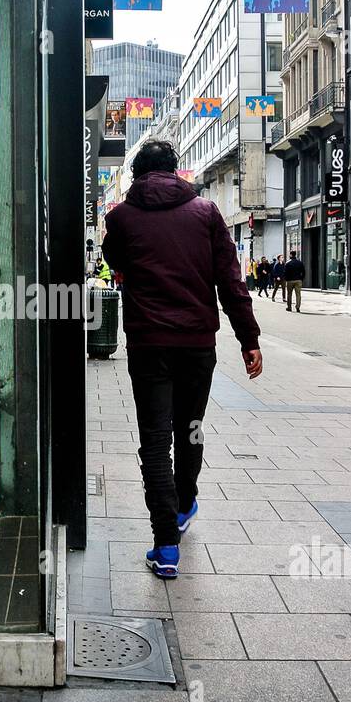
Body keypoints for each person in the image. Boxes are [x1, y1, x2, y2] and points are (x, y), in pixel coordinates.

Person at [102, 140, 262, 580]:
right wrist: (249, 338)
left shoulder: (120, 217)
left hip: (149, 346)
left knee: (155, 442)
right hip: (196, 346)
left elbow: (112, 257)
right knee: (190, 428)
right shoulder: (206, 213)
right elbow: (231, 281)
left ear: (137, 174)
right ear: (176, 170)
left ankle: (165, 544)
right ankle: (186, 502)